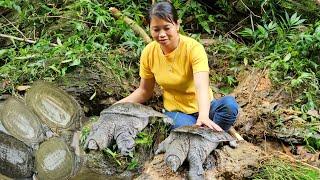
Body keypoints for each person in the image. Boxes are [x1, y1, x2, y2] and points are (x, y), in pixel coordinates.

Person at [117, 1, 238, 131]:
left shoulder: (193, 48)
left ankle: (206, 133)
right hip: (178, 113)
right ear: (150, 29)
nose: (162, 34)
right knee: (179, 127)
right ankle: (213, 136)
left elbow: (201, 85)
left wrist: (203, 115)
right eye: (156, 29)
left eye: (167, 28)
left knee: (229, 106)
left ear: (177, 25)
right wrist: (117, 106)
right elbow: (144, 91)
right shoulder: (148, 53)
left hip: (206, 107)